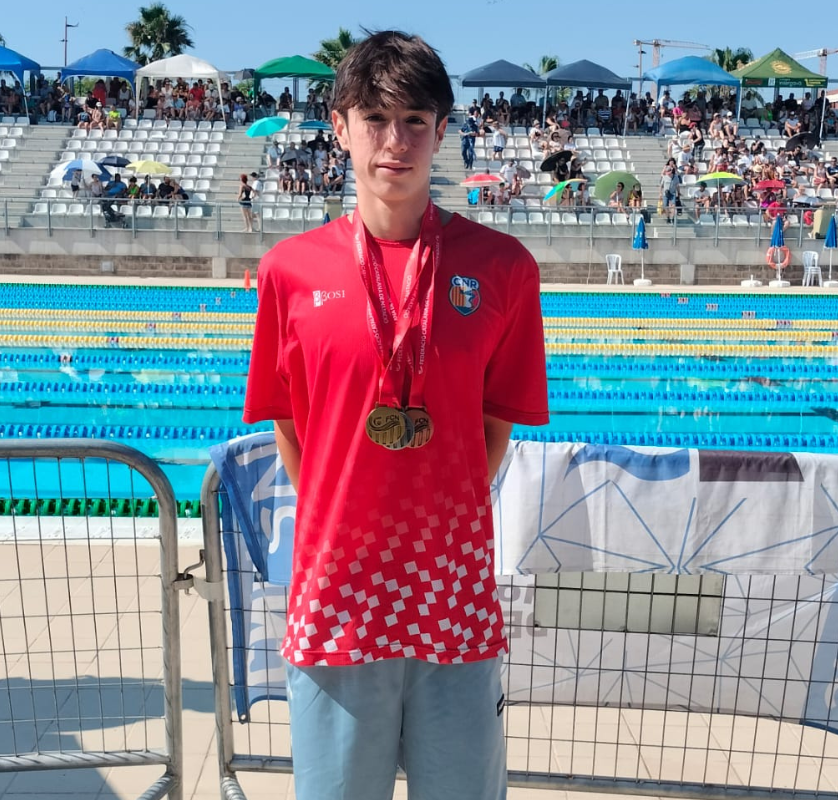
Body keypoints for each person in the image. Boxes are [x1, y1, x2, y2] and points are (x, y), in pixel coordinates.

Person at [243, 30, 548, 800]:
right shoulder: (288, 271)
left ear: (442, 132)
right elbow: (288, 424)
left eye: (416, 121)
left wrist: (435, 512)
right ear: (340, 128)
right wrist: (345, 514)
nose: (395, 142)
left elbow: (494, 426)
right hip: (336, 596)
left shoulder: (502, 268)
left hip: (454, 595)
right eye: (375, 119)